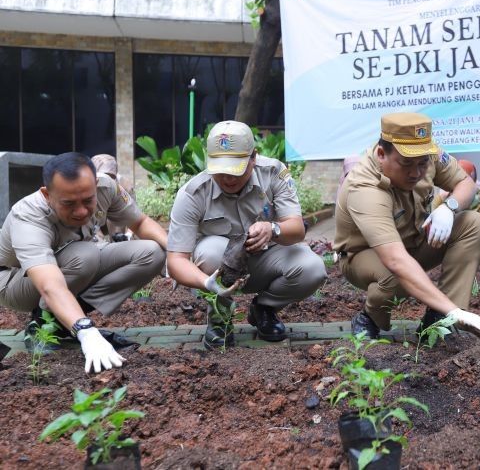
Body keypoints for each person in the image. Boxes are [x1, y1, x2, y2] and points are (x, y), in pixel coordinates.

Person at [334, 112, 480, 339]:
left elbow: (465, 183)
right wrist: (453, 310)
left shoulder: (425, 153)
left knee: (473, 223)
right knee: (394, 275)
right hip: (365, 255)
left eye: (422, 164)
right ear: (382, 154)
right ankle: (370, 318)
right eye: (406, 164)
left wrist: (449, 207)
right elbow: (395, 259)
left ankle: (439, 320)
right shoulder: (365, 187)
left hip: (415, 242)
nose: (416, 172)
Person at [0, 152, 168, 373]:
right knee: (85, 256)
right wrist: (87, 331)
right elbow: (49, 284)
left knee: (152, 252)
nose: (81, 211)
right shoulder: (29, 215)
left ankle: (63, 322)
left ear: (96, 184)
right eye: (69, 203)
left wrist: (178, 254)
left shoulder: (106, 188)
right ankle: (44, 324)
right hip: (15, 282)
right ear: (47, 194)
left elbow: (140, 222)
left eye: (88, 200)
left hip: (74, 266)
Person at [166, 121, 327, 350]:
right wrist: (207, 283)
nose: (228, 179)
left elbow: (297, 229)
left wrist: (272, 229)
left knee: (312, 267)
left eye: (236, 169)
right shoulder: (193, 193)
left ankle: (264, 309)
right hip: (219, 268)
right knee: (210, 251)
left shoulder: (273, 173)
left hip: (266, 260)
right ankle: (220, 319)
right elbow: (176, 260)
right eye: (221, 170)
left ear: (254, 157)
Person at [91, 154, 135, 241]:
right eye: (103, 176)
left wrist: (128, 235)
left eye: (110, 176)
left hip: (114, 218)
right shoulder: (87, 186)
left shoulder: (125, 186)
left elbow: (134, 216)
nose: (107, 180)